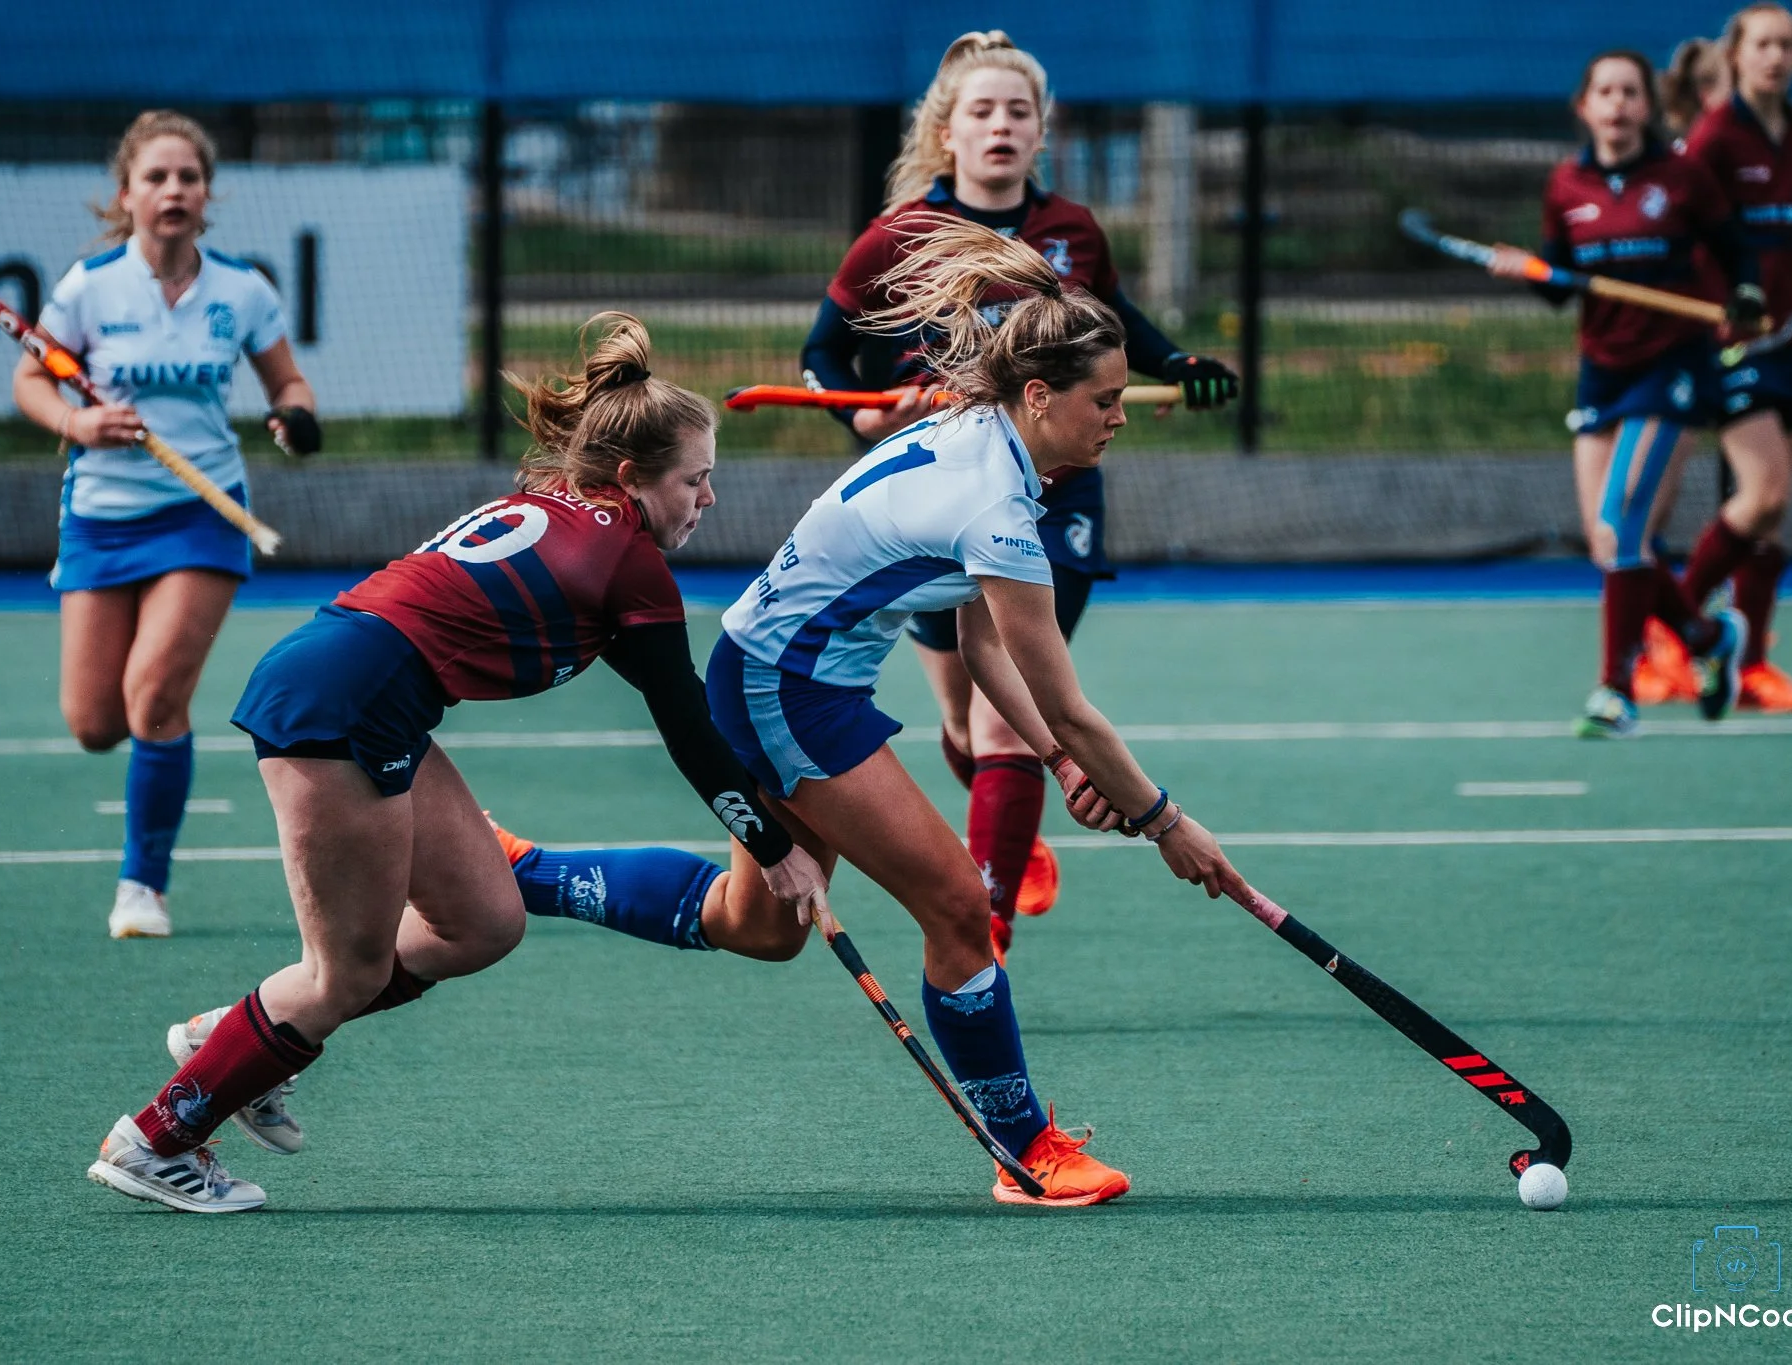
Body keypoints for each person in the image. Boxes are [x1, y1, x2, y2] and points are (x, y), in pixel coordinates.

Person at [504, 217, 1275, 1208]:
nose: (1118, 417)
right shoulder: (992, 505)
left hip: (772, 669)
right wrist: (1165, 821)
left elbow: (981, 641)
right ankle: (1026, 1152)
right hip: (787, 687)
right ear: (1037, 395)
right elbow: (1069, 706)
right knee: (957, 905)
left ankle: (517, 870)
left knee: (757, 924)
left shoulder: (975, 432)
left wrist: (1060, 765)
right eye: (1105, 399)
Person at [85, 315, 828, 1212]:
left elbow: (672, 697)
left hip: (367, 692)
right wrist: (773, 843)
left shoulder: (567, 507)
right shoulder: (630, 561)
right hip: (343, 704)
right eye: (695, 480)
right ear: (632, 478)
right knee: (345, 972)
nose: (707, 499)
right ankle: (156, 1138)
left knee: (481, 920)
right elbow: (686, 724)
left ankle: (239, 1040)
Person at [800, 31, 1237, 963]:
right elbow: (824, 355)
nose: (1001, 124)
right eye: (982, 110)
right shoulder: (905, 233)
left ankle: (984, 923)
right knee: (963, 717)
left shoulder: (1072, 228)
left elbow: (1116, 326)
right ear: (947, 131)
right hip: (936, 493)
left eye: (1019, 111)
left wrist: (1179, 363)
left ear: (1042, 132)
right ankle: (1011, 824)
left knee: (1008, 711)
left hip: (1052, 493)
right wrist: (866, 425)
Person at [12, 110, 322, 939]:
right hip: (103, 518)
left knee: (154, 695)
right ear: (127, 194)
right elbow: (32, 382)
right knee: (94, 723)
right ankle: (140, 849)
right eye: (156, 177)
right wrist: (76, 424)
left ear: (206, 193)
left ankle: (141, 886)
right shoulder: (89, 286)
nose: (173, 189)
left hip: (203, 512)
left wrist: (293, 419)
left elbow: (288, 385)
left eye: (188, 176)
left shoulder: (241, 290)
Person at [1489, 51, 1754, 738]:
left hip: (1672, 365)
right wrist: (1529, 271)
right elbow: (1561, 285)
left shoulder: (1682, 178)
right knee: (1611, 544)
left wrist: (1743, 299)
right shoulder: (1566, 184)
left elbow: (1737, 253)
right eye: (1605, 91)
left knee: (1623, 522)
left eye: (1630, 91)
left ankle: (1616, 690)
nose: (1617, 103)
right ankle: (1704, 637)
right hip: (1602, 370)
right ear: (1584, 105)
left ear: (1647, 105)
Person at [1673, 3, 1792, 712]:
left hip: (1790, 341)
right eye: (1762, 45)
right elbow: (1679, 226)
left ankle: (1748, 667)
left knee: (1773, 520)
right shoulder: (1715, 135)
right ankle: (1675, 621)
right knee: (1763, 494)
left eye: (1787, 45)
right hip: (1729, 343)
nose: (1775, 57)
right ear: (1737, 55)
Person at [1634, 35, 1736, 705]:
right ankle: (1661, 641)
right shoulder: (1680, 167)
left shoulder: (1764, 153)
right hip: (1673, 353)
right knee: (1646, 510)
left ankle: (1718, 642)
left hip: (1739, 345)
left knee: (1754, 502)